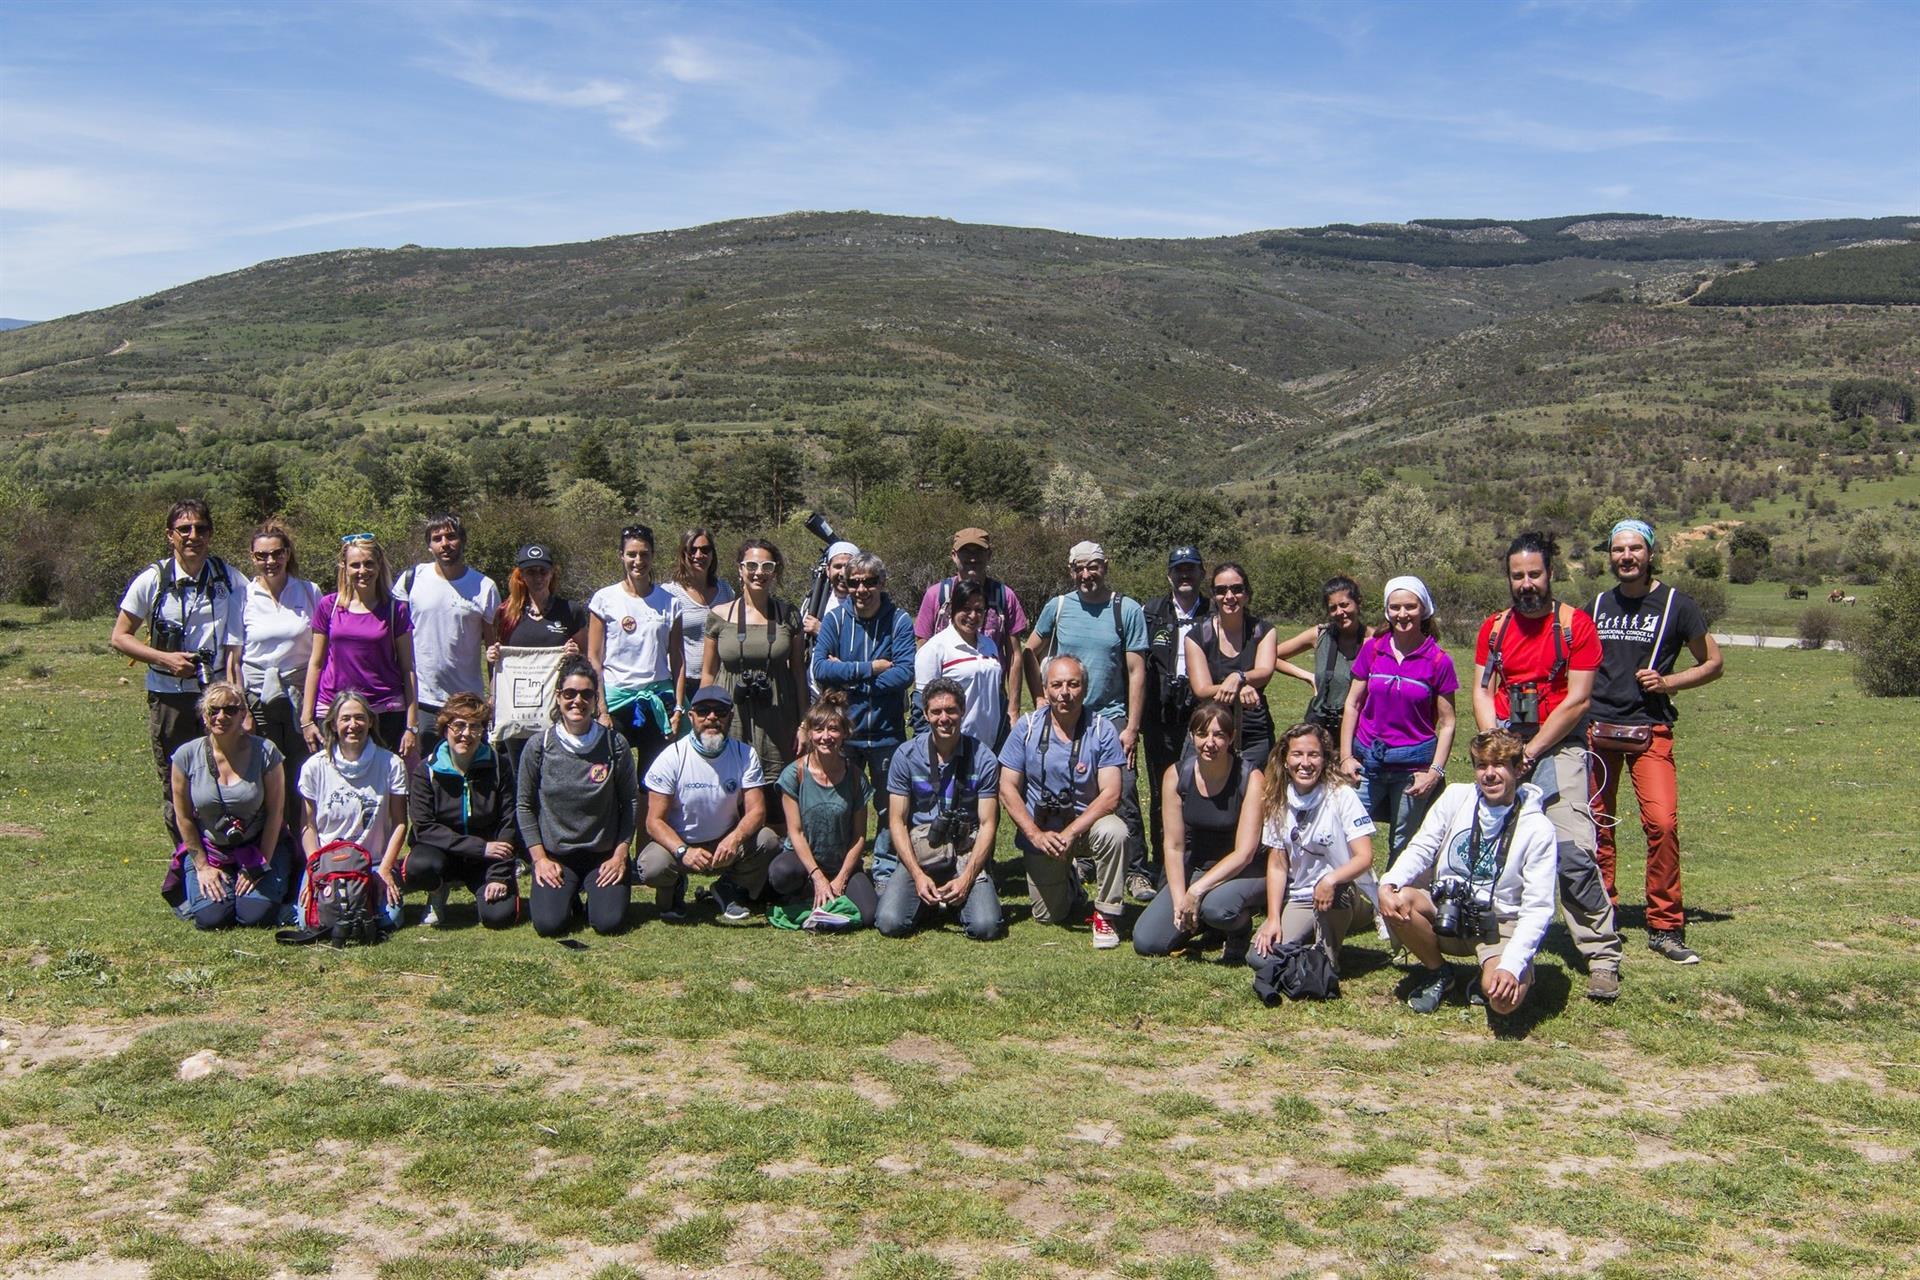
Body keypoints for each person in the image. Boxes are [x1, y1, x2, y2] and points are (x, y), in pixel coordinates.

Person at [1472, 532, 1624, 1002]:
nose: (1526, 584)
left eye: (1534, 574)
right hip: (1506, 749)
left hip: (1558, 748)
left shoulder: (1575, 626)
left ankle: (1602, 956)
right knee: (1493, 855)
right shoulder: (1494, 628)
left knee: (1574, 853)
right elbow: (1481, 689)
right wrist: (1496, 748)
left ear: (1550, 573)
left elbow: (1578, 700)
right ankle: (1500, 957)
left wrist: (1531, 752)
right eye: (1517, 576)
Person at [1586, 519, 1722, 965]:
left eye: (1635, 549)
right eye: (1618, 549)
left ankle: (1665, 925)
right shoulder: (1598, 604)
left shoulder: (1677, 605)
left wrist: (1669, 681)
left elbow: (1713, 663)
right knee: (1597, 825)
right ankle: (1600, 912)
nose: (1626, 556)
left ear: (1650, 553)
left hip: (1650, 729)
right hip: (1597, 730)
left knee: (1661, 823)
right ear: (1610, 555)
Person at [1378, 730, 1558, 1016]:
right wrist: (1389, 882)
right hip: (1448, 911)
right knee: (1399, 899)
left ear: (1517, 768)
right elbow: (1422, 847)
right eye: (1481, 765)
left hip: (1499, 924)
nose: (1489, 774)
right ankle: (1439, 973)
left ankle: (1497, 971)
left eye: (1498, 764)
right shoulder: (1455, 798)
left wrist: (1511, 965)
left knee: (1503, 1002)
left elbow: (1539, 907)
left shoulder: (1538, 828)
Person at [110, 499, 248, 845]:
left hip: (216, 696)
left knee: (224, 775)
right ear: (169, 535)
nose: (193, 536)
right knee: (178, 781)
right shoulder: (153, 579)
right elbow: (119, 637)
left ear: (211, 533)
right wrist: (164, 658)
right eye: (184, 529)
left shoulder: (228, 578)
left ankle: (224, 853)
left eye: (201, 528)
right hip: (168, 695)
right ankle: (188, 860)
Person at [1023, 541, 1148, 880]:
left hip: (1111, 714)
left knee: (1122, 788)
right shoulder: (1059, 607)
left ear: (1105, 566)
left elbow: (1137, 671)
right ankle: (1084, 860)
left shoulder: (1127, 609)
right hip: (1066, 715)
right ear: (1070, 571)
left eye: (1093, 566)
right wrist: (1038, 697)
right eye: (1079, 567)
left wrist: (1132, 727)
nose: (1086, 573)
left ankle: (1136, 870)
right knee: (1072, 785)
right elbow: (1029, 653)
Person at [999, 656, 1131, 948]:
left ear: (1085, 688)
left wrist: (1072, 832)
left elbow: (1111, 794)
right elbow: (1007, 787)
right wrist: (1034, 834)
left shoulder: (1102, 729)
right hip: (1043, 833)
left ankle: (1106, 914)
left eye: (1073, 684)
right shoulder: (1027, 727)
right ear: (1045, 689)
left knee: (1115, 831)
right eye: (1056, 685)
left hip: (1087, 826)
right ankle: (1070, 881)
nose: (1065, 693)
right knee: (1048, 916)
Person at [635, 685, 782, 922]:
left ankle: (729, 887)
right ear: (691, 716)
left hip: (725, 841)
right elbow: (653, 821)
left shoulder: (745, 754)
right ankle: (673, 888)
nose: (712, 718)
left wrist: (733, 839)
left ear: (730, 717)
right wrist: (683, 851)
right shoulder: (672, 757)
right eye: (703, 711)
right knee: (652, 865)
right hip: (680, 844)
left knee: (769, 840)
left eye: (720, 712)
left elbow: (757, 811)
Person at [1132, 703, 1267, 961]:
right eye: (1202, 734)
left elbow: (1245, 852)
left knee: (1218, 908)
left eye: (1219, 735)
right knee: (1147, 941)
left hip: (1243, 870)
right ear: (1192, 735)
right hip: (1196, 868)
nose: (1210, 742)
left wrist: (1196, 891)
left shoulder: (1251, 777)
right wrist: (1178, 900)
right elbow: (1173, 846)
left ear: (1231, 738)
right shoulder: (1176, 775)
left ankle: (1238, 927)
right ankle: (1203, 921)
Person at [811, 550, 916, 881]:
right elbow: (820, 669)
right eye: (853, 583)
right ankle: (844, 868)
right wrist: (870, 668)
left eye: (869, 582)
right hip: (845, 734)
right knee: (842, 804)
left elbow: (904, 674)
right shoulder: (835, 620)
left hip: (886, 733)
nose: (861, 589)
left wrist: (848, 677)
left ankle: (884, 870)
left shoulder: (898, 620)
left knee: (889, 808)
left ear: (882, 583)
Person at [1339, 576, 1458, 866]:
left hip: (1412, 767)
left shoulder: (1438, 661)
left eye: (1410, 607)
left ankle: (1392, 902)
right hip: (1368, 761)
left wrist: (1435, 772)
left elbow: (1448, 723)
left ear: (1424, 610)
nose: (1402, 614)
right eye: (1395, 607)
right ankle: (1347, 899)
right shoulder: (1373, 649)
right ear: (1386, 610)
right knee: (1346, 831)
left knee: (1405, 840)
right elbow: (1353, 704)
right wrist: (1345, 756)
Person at [516, 659, 636, 937]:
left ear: (595, 699)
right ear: (558, 697)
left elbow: (629, 803)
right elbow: (524, 806)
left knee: (608, 923)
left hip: (602, 856)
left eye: (586, 694)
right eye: (570, 693)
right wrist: (540, 860)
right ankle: (568, 897)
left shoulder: (614, 744)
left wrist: (620, 856)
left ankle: (599, 895)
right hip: (557, 857)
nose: (577, 701)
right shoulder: (539, 746)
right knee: (549, 925)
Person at [877, 677, 1003, 941]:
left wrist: (967, 878)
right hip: (921, 850)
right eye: (935, 712)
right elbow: (897, 821)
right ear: (925, 714)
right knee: (889, 922)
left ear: (963, 711)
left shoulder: (984, 758)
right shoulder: (906, 756)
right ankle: (928, 896)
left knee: (985, 927)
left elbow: (989, 823)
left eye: (951, 711)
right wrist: (916, 875)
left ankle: (960, 895)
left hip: (964, 852)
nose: (944, 718)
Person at [1249, 723, 1380, 974]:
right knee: (1260, 957)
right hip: (1302, 895)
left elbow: (1365, 857)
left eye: (1314, 755)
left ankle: (1330, 953)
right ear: (1285, 760)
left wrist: (1330, 879)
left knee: (1316, 964)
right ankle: (1323, 933)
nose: (1305, 763)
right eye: (1297, 754)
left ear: (1325, 759)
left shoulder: (1341, 795)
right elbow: (1277, 864)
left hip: (1341, 888)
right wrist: (1273, 917)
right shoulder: (1278, 798)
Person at [164, 682, 293, 930]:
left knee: (255, 915)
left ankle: (263, 881)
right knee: (212, 918)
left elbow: (276, 814)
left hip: (259, 845)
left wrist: (258, 866)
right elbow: (184, 818)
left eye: (230, 710)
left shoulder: (266, 752)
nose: (221, 716)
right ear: (204, 715)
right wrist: (202, 866)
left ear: (244, 714)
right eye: (213, 710)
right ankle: (214, 882)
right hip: (211, 850)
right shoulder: (185, 756)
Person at [405, 692, 520, 929]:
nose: (466, 734)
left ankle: (487, 889)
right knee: (419, 866)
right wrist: (480, 846)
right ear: (445, 727)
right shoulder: (425, 770)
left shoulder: (499, 765)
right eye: (459, 725)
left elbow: (508, 820)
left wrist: (499, 874)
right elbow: (424, 828)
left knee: (499, 917)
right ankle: (437, 890)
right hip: (442, 853)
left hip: (486, 858)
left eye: (475, 727)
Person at [700, 539, 807, 789]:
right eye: (751, 565)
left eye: (767, 566)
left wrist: (804, 723)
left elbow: (799, 673)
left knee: (778, 787)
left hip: (778, 715)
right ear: (740, 569)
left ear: (775, 571)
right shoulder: (719, 616)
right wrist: (705, 718)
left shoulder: (788, 615)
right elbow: (708, 673)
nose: (759, 572)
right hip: (731, 714)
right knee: (729, 785)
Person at [765, 692, 879, 928]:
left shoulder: (856, 777)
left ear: (844, 733)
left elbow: (859, 836)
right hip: (803, 862)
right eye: (819, 730)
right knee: (781, 874)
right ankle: (811, 891)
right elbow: (795, 832)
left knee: (869, 914)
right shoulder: (793, 775)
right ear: (809, 734)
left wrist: (840, 879)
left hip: (841, 863)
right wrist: (817, 876)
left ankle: (818, 903)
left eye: (833, 729)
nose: (826, 737)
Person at [297, 689, 409, 929]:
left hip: (375, 862)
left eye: (359, 718)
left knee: (390, 920)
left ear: (370, 722)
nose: (353, 725)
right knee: (309, 924)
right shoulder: (314, 767)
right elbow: (308, 825)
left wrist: (387, 869)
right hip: (326, 863)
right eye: (345, 718)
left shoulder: (391, 764)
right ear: (333, 724)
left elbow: (400, 822)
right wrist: (314, 868)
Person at [301, 534, 417, 762]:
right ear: (344, 567)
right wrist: (307, 719)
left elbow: (408, 669)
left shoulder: (396, 610)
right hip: (335, 710)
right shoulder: (329, 606)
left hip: (385, 711)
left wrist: (411, 726)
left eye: (369, 563)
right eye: (355, 565)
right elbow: (315, 663)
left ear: (379, 565)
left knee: (383, 787)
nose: (362, 570)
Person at [395, 514, 499, 760]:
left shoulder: (484, 587)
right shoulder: (412, 580)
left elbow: (494, 649)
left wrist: (494, 697)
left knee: (468, 772)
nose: (445, 543)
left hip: (467, 703)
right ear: (429, 545)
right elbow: (394, 636)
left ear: (462, 540)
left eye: (451, 536)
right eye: (437, 538)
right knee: (424, 774)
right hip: (422, 699)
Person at [1139, 546, 1211, 900]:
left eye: (1191, 569)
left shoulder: (1214, 612)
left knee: (1199, 786)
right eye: (1179, 570)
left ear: (1201, 574)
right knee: (1160, 791)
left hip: (1201, 713)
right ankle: (1159, 860)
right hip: (1159, 715)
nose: (1185, 575)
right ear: (1169, 574)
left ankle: (1196, 859)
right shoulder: (1150, 612)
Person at [588, 524, 686, 780]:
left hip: (657, 700)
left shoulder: (670, 603)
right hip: (616, 699)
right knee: (608, 776)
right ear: (621, 555)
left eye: (644, 554)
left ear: (653, 555)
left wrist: (677, 709)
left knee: (653, 780)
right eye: (632, 554)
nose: (638, 561)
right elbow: (594, 659)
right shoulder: (604, 599)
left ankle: (646, 822)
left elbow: (677, 660)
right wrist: (602, 710)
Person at [239, 518, 320, 785]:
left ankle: (303, 826)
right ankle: (274, 826)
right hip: (258, 696)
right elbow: (234, 656)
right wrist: (242, 709)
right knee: (265, 769)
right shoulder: (243, 596)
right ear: (253, 558)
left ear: (287, 553)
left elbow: (322, 646)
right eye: (262, 555)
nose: (270, 561)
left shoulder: (309, 591)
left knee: (304, 767)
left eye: (277, 553)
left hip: (301, 693)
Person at [485, 543, 586, 749]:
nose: (538, 578)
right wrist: (493, 656)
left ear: (552, 573)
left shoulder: (570, 611)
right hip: (517, 710)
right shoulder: (506, 612)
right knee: (519, 773)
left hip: (557, 709)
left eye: (543, 571)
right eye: (531, 572)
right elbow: (500, 665)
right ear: (521, 575)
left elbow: (587, 658)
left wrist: (575, 653)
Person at [913, 526, 1028, 699]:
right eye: (965, 551)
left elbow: (1014, 656)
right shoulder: (936, 595)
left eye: (979, 551)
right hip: (946, 703)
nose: (972, 558)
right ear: (954, 555)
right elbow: (923, 648)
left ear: (989, 555)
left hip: (991, 698)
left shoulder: (1005, 597)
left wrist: (1013, 707)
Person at [1184, 562, 1278, 770]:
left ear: (1247, 594)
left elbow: (1264, 672)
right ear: (1214, 596)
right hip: (1209, 730)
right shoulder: (1197, 637)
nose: (1229, 596)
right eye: (1221, 590)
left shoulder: (1263, 631)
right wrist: (1241, 686)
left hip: (1254, 733)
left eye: (1236, 589)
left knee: (1255, 796)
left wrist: (1238, 677)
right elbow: (1202, 689)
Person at [913, 579, 1006, 748]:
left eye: (979, 610)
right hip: (952, 748)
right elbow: (922, 709)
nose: (973, 616)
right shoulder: (934, 649)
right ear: (952, 609)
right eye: (966, 609)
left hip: (990, 748)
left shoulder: (989, 645)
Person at [1274, 576, 1365, 739]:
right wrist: (1308, 677)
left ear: (1358, 602)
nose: (1340, 612)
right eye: (1333, 608)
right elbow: (1271, 656)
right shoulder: (1320, 635)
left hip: (1359, 732)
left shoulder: (1375, 641)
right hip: (1321, 730)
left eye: (1345, 605)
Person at [662, 527, 735, 685]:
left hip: (720, 679)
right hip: (683, 681)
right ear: (683, 554)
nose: (698, 555)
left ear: (712, 554)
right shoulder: (669, 594)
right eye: (692, 550)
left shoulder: (725, 591)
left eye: (705, 550)